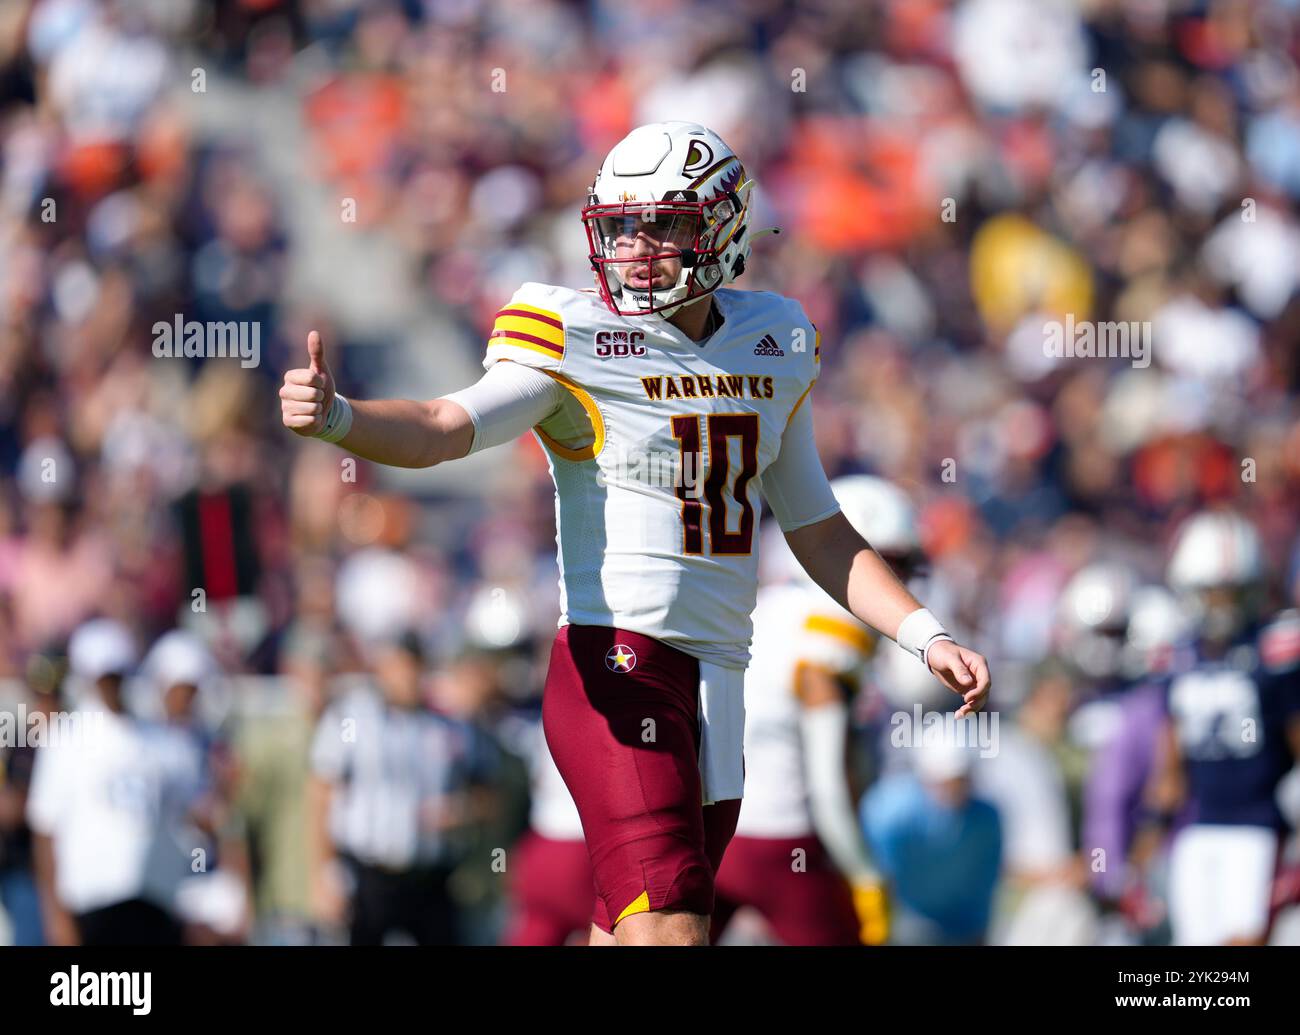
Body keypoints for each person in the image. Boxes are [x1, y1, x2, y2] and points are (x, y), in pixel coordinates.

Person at [281, 121, 991, 946]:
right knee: (674, 929)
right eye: (621, 225)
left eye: (662, 224)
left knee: (628, 932)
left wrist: (922, 632)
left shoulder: (775, 341)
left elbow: (819, 527)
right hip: (616, 663)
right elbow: (443, 425)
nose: (637, 247)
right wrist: (340, 418)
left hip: (720, 680)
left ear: (723, 230)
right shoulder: (574, 336)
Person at [712, 476, 918, 946]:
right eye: (892, 564)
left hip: (716, 833)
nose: (899, 583)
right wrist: (865, 873)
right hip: (783, 839)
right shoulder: (828, 640)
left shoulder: (765, 607)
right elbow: (828, 786)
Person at [1142, 510, 1300, 945]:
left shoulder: (1274, 647)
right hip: (1197, 823)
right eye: (1213, 593)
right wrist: (1153, 827)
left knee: (1244, 940)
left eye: (1233, 593)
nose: (1223, 606)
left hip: (1259, 822)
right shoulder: (1176, 654)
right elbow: (1170, 755)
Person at [26, 619, 201, 945]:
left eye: (117, 676)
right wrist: (56, 917)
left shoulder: (156, 740)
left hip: (152, 901)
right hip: (90, 902)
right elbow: (45, 831)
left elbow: (185, 819)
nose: (112, 685)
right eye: (105, 677)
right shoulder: (66, 741)